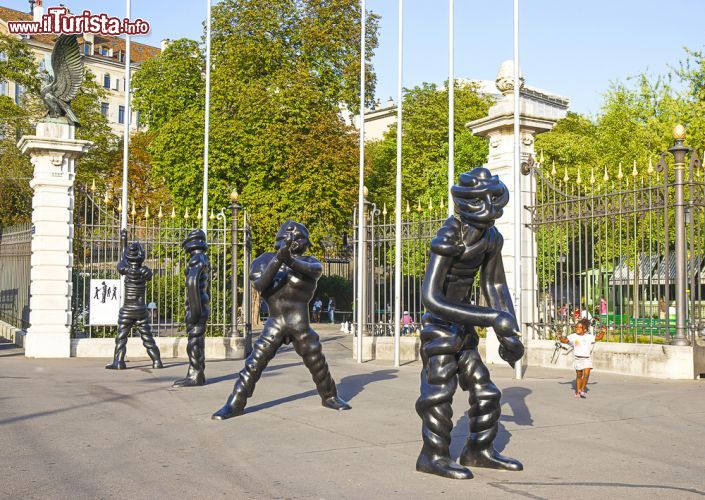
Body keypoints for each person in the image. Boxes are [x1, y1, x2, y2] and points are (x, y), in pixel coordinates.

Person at [415, 167, 524, 480]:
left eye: (495, 204)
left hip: (463, 325)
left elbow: (495, 287)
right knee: (438, 393)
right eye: (484, 204)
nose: (490, 214)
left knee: (486, 392)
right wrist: (491, 318)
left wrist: (510, 332)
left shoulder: (491, 237)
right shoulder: (450, 235)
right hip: (439, 325)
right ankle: (432, 456)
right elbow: (431, 297)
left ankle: (479, 450)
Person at [212, 220, 350, 420]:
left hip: (299, 322)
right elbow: (260, 285)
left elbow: (314, 272)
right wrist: (279, 259)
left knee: (317, 360)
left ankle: (330, 396)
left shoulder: (310, 262)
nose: (300, 244)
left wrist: (291, 261)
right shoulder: (263, 260)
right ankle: (235, 402)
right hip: (276, 321)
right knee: (255, 363)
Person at [556, 318, 605, 398]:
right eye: (576, 327)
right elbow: (564, 341)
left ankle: (582, 390)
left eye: (579, 327)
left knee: (586, 374)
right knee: (579, 376)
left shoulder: (589, 337)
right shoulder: (573, 336)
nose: (577, 329)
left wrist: (603, 331)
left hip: (586, 359)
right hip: (578, 359)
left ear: (584, 329)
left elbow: (599, 338)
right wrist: (560, 336)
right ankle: (578, 391)